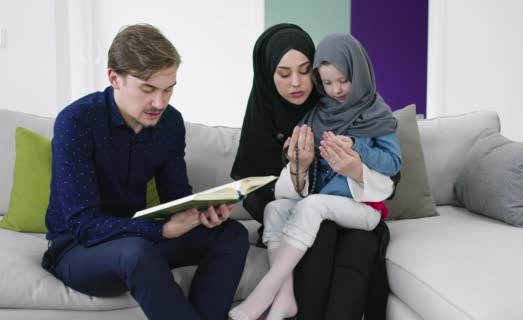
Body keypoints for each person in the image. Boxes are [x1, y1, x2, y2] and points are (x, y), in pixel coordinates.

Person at [41, 24, 249, 320]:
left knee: (232, 235)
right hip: (77, 249)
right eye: (148, 89)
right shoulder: (76, 121)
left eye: (168, 89)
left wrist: (203, 213)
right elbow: (84, 225)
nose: (159, 103)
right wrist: (162, 229)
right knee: (136, 253)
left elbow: (176, 197)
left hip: (140, 241)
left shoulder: (170, 123)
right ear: (114, 78)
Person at [230, 29, 400, 320]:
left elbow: (390, 174)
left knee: (348, 251)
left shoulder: (361, 110)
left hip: (356, 211)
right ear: (267, 75)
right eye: (283, 74)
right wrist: (299, 169)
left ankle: (269, 293)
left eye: (305, 71)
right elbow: (255, 196)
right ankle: (283, 298)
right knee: (286, 213)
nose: (296, 83)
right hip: (309, 215)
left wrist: (356, 167)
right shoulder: (311, 116)